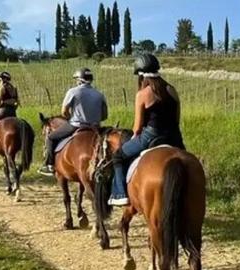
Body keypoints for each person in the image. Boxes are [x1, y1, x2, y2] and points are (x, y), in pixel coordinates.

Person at [108, 54, 185, 206]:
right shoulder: (172, 90)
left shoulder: (143, 94)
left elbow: (137, 128)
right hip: (174, 136)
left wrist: (133, 138)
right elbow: (176, 120)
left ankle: (120, 194)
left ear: (141, 75)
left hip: (151, 135)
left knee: (118, 156)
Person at [39, 68, 109, 176]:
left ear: (80, 80)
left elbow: (64, 111)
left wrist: (69, 117)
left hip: (76, 125)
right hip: (95, 127)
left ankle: (49, 165)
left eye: (77, 80)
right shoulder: (100, 94)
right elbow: (104, 116)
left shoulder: (73, 92)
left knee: (50, 138)